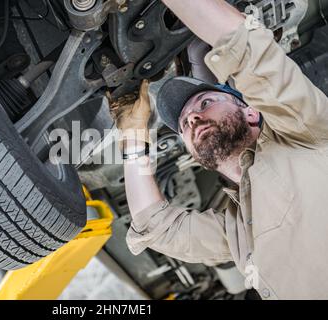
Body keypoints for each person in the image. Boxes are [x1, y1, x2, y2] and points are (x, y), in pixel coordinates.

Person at [110, 0, 328, 299]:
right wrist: (134, 137)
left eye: (205, 103)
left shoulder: (308, 134)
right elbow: (157, 228)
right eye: (185, 123)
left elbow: (248, 48)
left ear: (251, 112)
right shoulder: (240, 228)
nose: (193, 118)